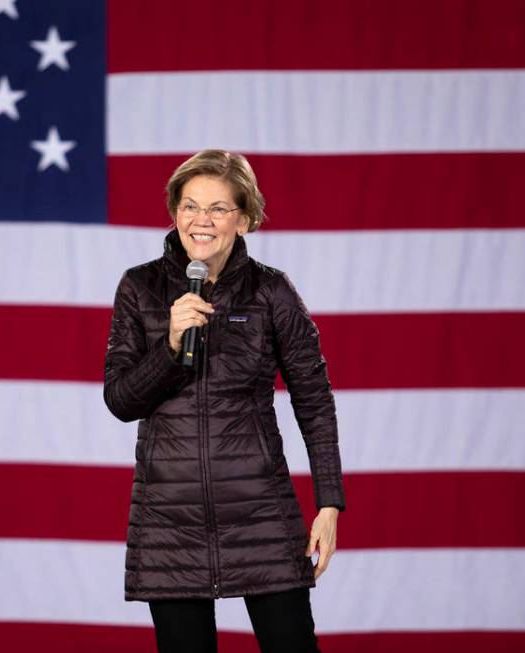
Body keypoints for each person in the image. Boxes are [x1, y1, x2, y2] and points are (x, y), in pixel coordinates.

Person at [103, 149, 345, 653]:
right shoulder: (139, 287)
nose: (200, 220)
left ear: (245, 218)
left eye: (217, 208)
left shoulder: (271, 291)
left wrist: (328, 502)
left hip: (261, 511)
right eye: (189, 206)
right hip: (170, 520)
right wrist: (169, 348)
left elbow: (314, 399)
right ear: (174, 212)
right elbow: (121, 400)